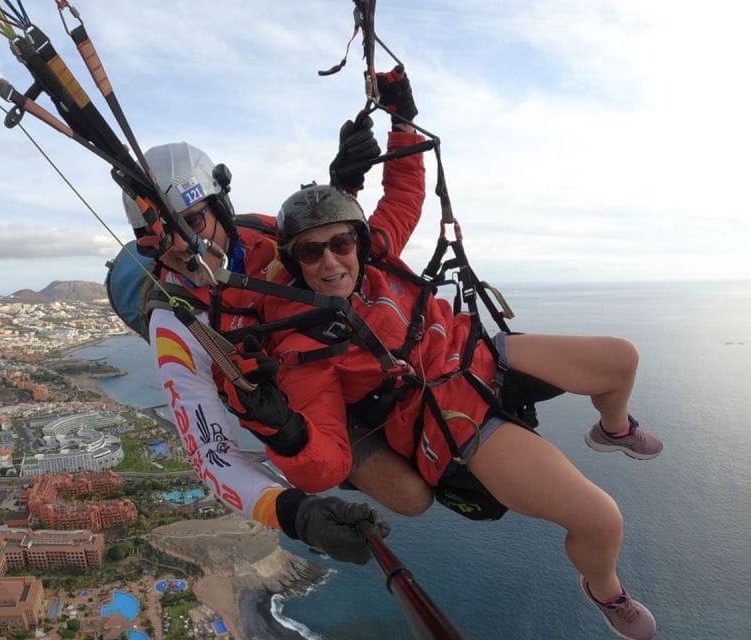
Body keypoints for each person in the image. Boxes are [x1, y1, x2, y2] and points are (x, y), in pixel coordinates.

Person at [223, 109, 663, 638]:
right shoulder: (305, 342)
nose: (330, 262)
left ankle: (613, 429)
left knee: (621, 359)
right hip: (450, 416)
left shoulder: (378, 258)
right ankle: (604, 588)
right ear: (295, 264)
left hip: (481, 355)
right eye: (311, 253)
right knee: (601, 520)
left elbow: (404, 197)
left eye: (340, 244)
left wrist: (402, 121)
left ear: (358, 243)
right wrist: (286, 433)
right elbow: (325, 461)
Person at [118, 68, 427, 562]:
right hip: (299, 415)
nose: (181, 246)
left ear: (220, 205)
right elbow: (210, 452)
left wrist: (344, 186)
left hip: (345, 362)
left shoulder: (263, 233)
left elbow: (332, 254)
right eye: (156, 240)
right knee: (411, 496)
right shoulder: (176, 323)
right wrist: (294, 513)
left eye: (193, 221)